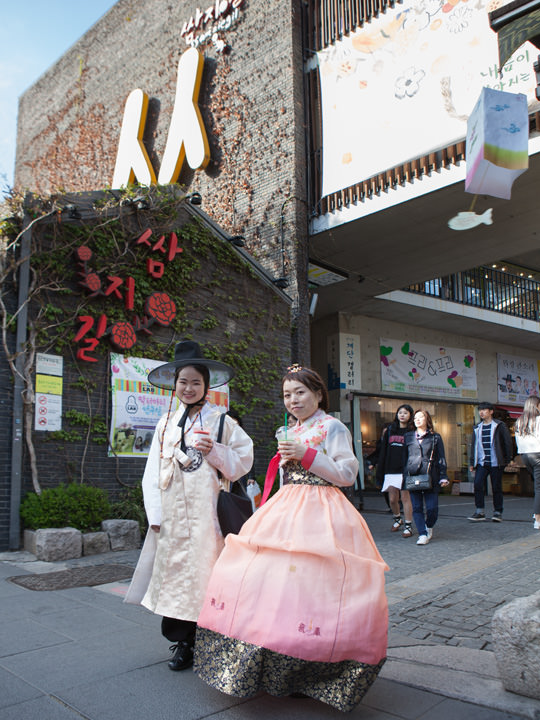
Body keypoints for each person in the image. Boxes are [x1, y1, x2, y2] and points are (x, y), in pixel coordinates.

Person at [194, 365, 388, 712]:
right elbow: (286, 478)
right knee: (267, 583)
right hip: (286, 508)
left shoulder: (332, 427)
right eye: (287, 395)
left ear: (317, 394)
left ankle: (312, 667)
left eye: (299, 392)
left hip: (323, 512)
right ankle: (270, 658)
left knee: (312, 591)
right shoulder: (290, 429)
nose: (293, 400)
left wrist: (306, 454)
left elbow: (347, 474)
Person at [124, 340, 253, 671]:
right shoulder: (164, 423)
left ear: (206, 386)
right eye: (183, 381)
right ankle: (182, 643)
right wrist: (154, 515)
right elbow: (152, 472)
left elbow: (242, 464)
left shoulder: (223, 422)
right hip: (171, 519)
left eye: (196, 382)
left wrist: (215, 451)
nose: (189, 388)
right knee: (175, 581)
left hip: (208, 519)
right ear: (174, 383)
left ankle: (210, 642)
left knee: (207, 580)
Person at [404, 409, 449, 545]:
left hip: (431, 475)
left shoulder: (435, 437)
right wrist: (404, 474)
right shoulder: (408, 436)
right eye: (415, 418)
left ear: (427, 419)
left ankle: (428, 526)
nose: (417, 420)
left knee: (432, 508)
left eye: (421, 417)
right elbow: (404, 457)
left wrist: (443, 476)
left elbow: (441, 457)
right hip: (413, 475)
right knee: (416, 508)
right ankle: (422, 534)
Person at [468, 401, 513, 522]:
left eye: (484, 410)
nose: (481, 412)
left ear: (491, 411)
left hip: (496, 462)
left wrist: (508, 459)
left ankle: (498, 512)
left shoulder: (499, 425)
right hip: (482, 462)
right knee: (477, 484)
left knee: (496, 486)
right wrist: (472, 462)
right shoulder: (477, 427)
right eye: (480, 410)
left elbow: (507, 443)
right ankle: (479, 511)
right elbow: (474, 446)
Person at [376, 404, 415, 538]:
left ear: (410, 415)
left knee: (405, 497)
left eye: (405, 413)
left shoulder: (412, 431)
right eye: (400, 413)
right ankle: (398, 518)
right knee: (392, 499)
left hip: (405, 469)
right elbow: (383, 450)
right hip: (390, 468)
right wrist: (380, 467)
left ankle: (408, 525)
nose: (402, 415)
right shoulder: (390, 430)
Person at [514, 396, 540, 530]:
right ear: (536, 406)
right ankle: (537, 519)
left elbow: (518, 443)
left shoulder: (519, 421)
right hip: (538, 454)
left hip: (526, 456)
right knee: (539, 488)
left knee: (538, 485)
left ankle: (537, 515)